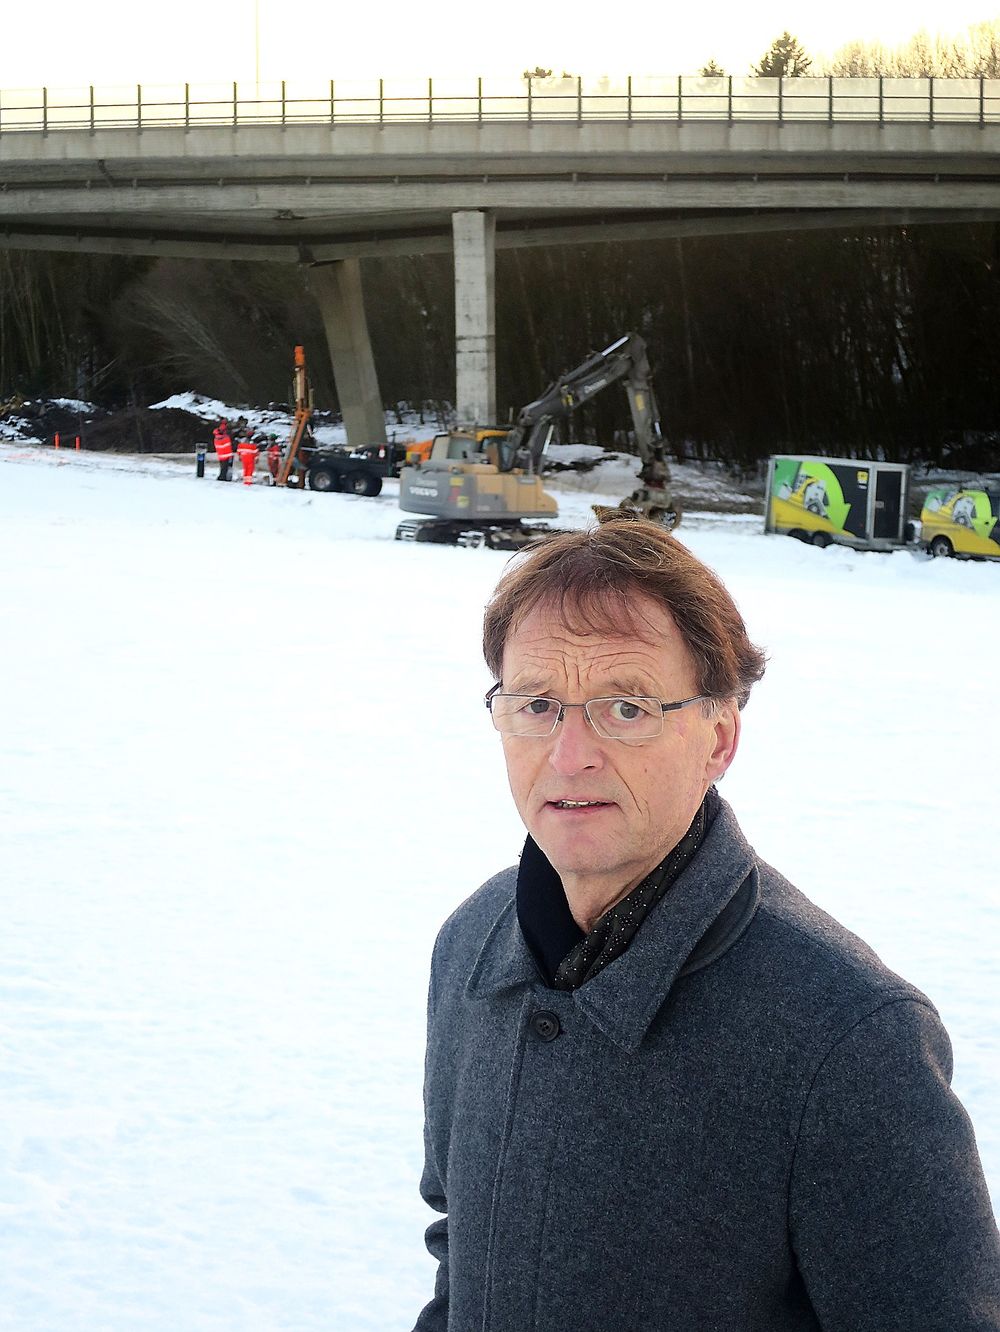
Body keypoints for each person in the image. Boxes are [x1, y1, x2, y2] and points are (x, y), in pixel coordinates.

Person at [413, 516, 1000, 1332]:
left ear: (719, 736)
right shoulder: (471, 945)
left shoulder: (852, 1039)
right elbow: (462, 1251)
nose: (569, 754)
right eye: (538, 705)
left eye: (626, 706)